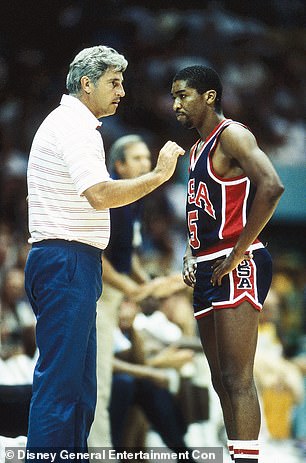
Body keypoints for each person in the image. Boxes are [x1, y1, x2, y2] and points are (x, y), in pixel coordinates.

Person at [24, 45, 185, 452]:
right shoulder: (73, 126)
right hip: (65, 260)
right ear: (86, 84)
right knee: (61, 389)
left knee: (79, 391)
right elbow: (98, 194)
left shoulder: (76, 125)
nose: (122, 91)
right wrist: (160, 174)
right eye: (114, 82)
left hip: (73, 261)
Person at [171, 65, 284, 463]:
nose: (175, 105)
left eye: (183, 95)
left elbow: (272, 187)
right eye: (173, 96)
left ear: (209, 97)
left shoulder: (232, 135)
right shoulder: (197, 150)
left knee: (238, 378)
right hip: (205, 264)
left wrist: (238, 251)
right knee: (220, 380)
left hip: (236, 261)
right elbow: (199, 214)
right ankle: (239, 456)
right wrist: (189, 252)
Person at [89, 134, 188, 448]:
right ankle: (98, 452)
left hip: (114, 295)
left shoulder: (132, 202)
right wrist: (134, 289)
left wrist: (147, 285)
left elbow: (126, 255)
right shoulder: (112, 200)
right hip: (98, 295)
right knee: (100, 382)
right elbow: (98, 257)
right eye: (137, 158)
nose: (146, 163)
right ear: (118, 165)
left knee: (103, 379)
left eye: (148, 157)